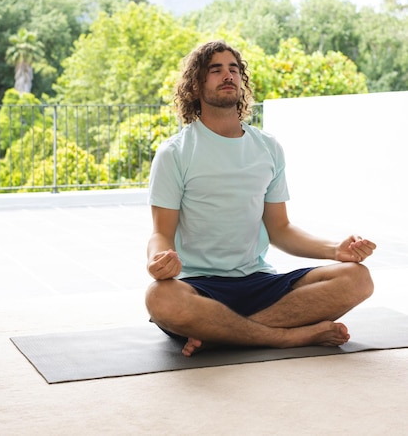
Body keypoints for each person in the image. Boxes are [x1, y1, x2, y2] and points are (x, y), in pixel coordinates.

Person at [145, 40, 376, 357]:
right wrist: (158, 262)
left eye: (233, 69)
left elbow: (280, 229)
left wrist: (336, 250)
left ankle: (220, 335)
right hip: (199, 286)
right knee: (160, 299)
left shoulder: (267, 147)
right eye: (216, 70)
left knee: (358, 279)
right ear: (196, 85)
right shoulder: (175, 153)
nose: (228, 75)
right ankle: (287, 337)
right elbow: (161, 233)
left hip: (259, 282)